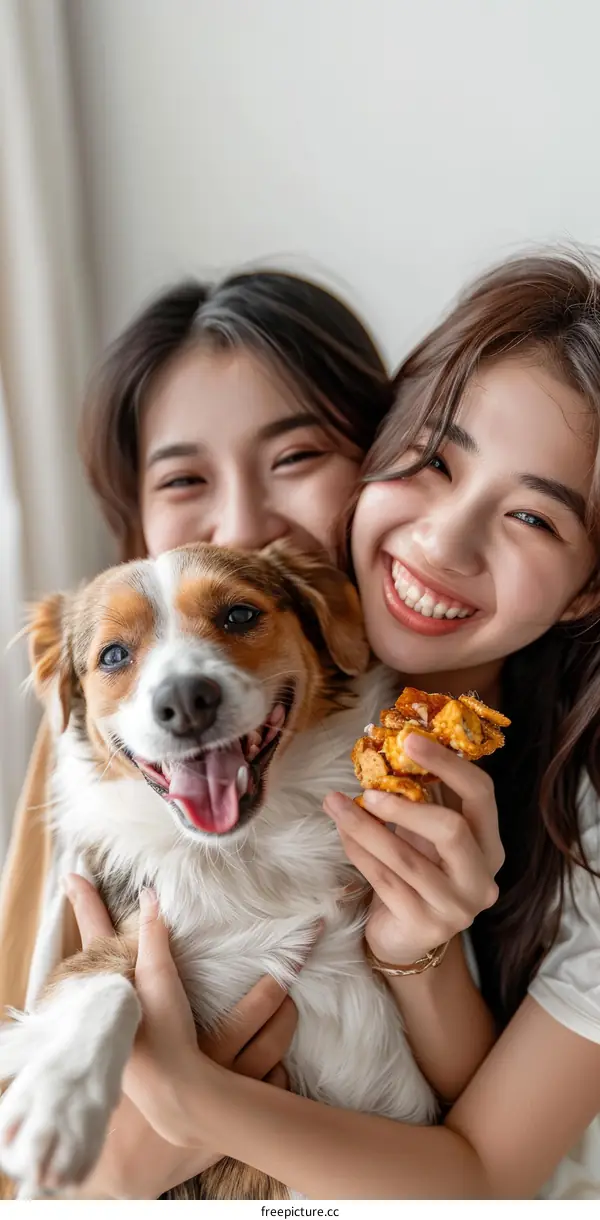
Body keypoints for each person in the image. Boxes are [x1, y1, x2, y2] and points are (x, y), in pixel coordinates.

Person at [65, 250, 600, 1200]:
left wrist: (197, 1101)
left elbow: (482, 1169)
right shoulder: (117, 749)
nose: (237, 528)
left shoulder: (557, 796)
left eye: (297, 456)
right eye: (435, 463)